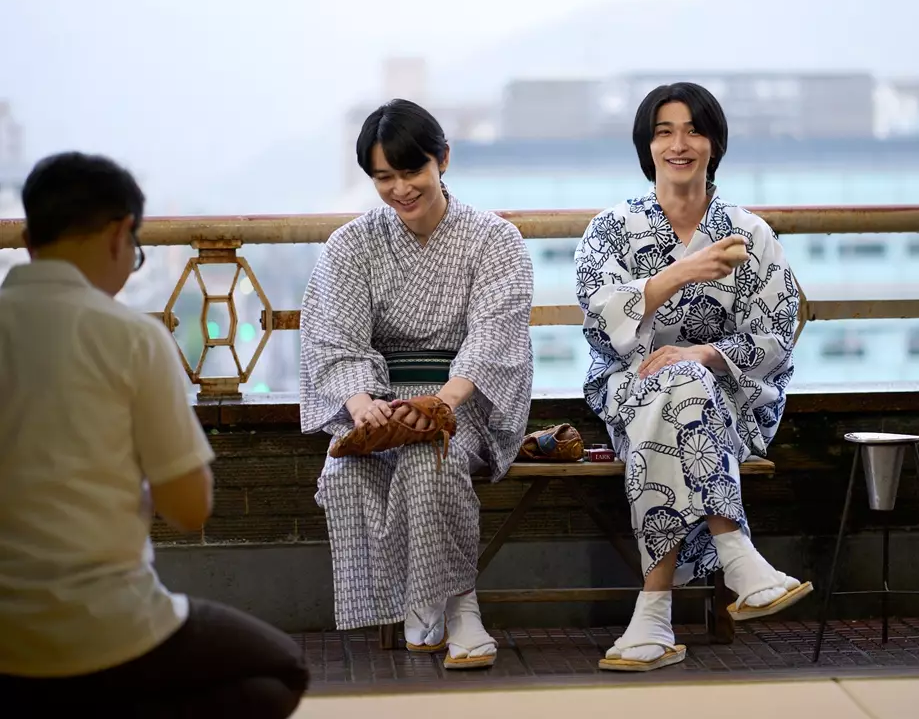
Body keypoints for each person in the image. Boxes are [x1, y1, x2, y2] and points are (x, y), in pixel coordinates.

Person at [0, 152, 310, 715]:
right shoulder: (129, 337)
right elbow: (189, 509)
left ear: (27, 239)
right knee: (281, 669)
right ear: (121, 234)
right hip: (110, 624)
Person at [574, 82, 810, 672]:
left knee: (684, 384)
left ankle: (653, 615)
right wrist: (682, 273)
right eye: (664, 132)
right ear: (647, 146)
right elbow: (600, 322)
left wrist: (703, 354)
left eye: (693, 131)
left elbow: (777, 334)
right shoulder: (610, 229)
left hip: (730, 398)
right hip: (631, 390)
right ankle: (738, 554)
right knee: (673, 390)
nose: (679, 144)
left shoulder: (751, 234)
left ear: (714, 144)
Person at [299, 99, 534, 669]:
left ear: (442, 160)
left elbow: (495, 332)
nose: (400, 189)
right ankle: (420, 598)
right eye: (384, 177)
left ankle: (459, 607)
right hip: (378, 405)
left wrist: (440, 403)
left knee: (431, 458)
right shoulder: (351, 245)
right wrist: (362, 405)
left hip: (463, 402)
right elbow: (333, 337)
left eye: (412, 171)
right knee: (348, 469)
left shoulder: (494, 239)